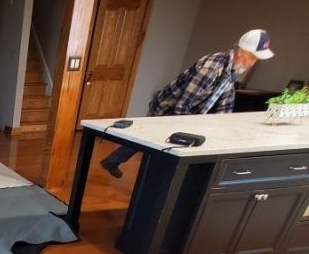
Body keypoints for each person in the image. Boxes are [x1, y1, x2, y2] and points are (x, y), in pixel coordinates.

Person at [100, 29, 275, 178]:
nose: (253, 62)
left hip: (187, 111)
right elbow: (183, 103)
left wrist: (223, 127)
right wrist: (183, 130)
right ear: (242, 52)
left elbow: (226, 101)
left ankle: (113, 162)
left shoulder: (232, 70)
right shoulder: (212, 67)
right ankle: (144, 179)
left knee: (151, 142)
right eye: (253, 57)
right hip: (168, 108)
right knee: (155, 144)